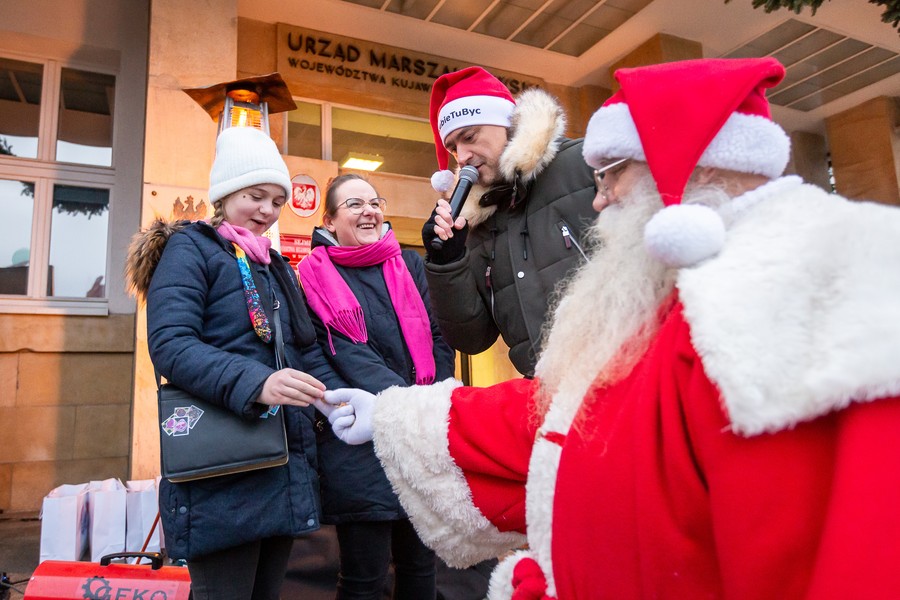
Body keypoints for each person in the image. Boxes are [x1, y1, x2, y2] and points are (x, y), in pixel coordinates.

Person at [317, 57, 900, 599]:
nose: (599, 201)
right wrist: (444, 268)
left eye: (611, 176)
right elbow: (547, 389)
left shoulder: (799, 287)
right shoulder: (486, 224)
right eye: (452, 145)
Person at [126, 126, 345, 600]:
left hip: (281, 463)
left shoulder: (273, 263)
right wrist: (258, 383)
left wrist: (332, 399)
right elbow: (170, 344)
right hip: (223, 469)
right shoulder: (190, 249)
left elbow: (302, 347)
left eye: (276, 201)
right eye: (255, 196)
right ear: (225, 195)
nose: (267, 211)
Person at [297, 174, 455, 599]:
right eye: (354, 205)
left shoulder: (410, 264)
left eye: (374, 202)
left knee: (421, 570)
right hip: (358, 438)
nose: (369, 211)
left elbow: (440, 337)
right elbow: (316, 353)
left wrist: (429, 399)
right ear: (329, 221)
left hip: (419, 436)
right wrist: (363, 403)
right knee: (364, 578)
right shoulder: (310, 277)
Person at [421, 66, 596, 377]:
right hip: (548, 398)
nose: (461, 156)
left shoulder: (584, 162)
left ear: (507, 124)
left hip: (630, 380)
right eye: (453, 148)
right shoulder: (477, 224)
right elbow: (472, 338)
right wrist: (447, 263)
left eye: (470, 136)